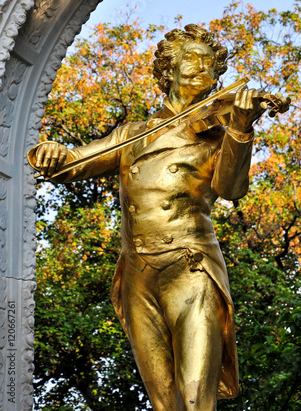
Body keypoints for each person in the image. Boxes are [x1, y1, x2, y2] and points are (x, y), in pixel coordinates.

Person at [28, 24, 265, 411]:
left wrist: (241, 127)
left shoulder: (218, 135)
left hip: (190, 269)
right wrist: (52, 152)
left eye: (209, 63)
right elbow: (73, 164)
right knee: (163, 404)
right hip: (138, 275)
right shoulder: (132, 134)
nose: (201, 67)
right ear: (168, 68)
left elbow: (232, 189)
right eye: (191, 58)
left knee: (194, 401)